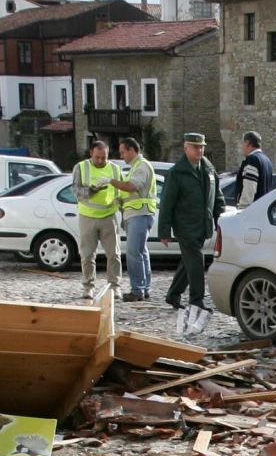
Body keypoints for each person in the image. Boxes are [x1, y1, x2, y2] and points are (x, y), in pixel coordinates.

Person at [158, 131, 221, 336]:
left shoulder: (209, 169)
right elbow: (167, 202)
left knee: (188, 262)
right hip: (185, 226)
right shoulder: (177, 172)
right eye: (195, 147)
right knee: (196, 260)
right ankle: (197, 300)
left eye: (202, 147)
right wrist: (164, 230)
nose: (199, 150)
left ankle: (173, 294)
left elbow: (217, 197)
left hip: (203, 225)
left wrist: (221, 220)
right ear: (186, 148)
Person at [72, 139, 123, 302]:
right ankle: (88, 287)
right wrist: (91, 190)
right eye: (98, 157)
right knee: (87, 255)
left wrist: (123, 211)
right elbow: (76, 190)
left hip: (109, 216)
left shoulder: (115, 169)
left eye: (104, 157)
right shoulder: (81, 167)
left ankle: (115, 287)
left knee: (114, 254)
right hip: (88, 216)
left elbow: (122, 192)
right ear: (91, 154)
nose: (101, 161)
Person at [116, 137, 159, 302]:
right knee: (142, 252)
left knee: (134, 253)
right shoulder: (136, 167)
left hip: (139, 214)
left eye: (122, 152)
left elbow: (132, 187)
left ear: (131, 150)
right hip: (138, 214)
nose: (121, 156)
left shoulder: (141, 166)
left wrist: (112, 182)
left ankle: (137, 290)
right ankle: (144, 288)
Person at [232, 131, 275, 207]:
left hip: (252, 210)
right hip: (263, 207)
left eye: (243, 143)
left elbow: (250, 187)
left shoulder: (252, 160)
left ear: (248, 143)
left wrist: (243, 207)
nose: (242, 146)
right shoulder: (267, 160)